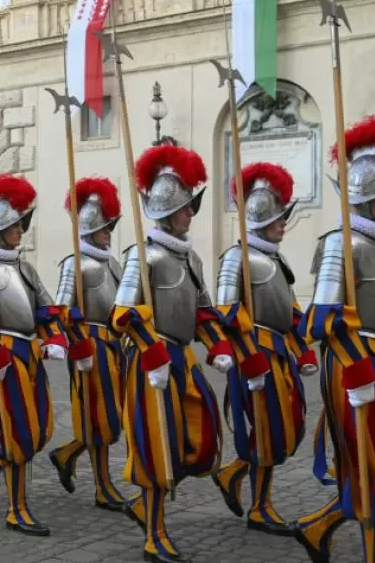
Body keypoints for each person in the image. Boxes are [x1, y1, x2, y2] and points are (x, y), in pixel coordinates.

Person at [112, 145, 246, 563]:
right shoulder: (142, 254)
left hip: (182, 362)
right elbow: (124, 313)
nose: (192, 213)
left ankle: (146, 510)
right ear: (168, 210)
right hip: (151, 363)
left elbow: (204, 311)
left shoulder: (191, 257)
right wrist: (151, 352)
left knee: (195, 441)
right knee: (158, 448)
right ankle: (154, 533)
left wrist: (217, 345)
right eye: (187, 207)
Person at [292, 116, 375, 563]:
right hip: (358, 369)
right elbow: (318, 321)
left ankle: (318, 528)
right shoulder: (342, 244)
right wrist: (359, 368)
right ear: (368, 197)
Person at [0, 174, 68, 536]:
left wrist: (54, 338)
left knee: (39, 431)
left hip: (30, 355)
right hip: (2, 359)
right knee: (17, 434)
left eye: (21, 223)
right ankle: (16, 509)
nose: (20, 229)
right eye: (13, 225)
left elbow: (46, 309)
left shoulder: (25, 267)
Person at [211, 162, 319, 537]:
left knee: (283, 428)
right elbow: (225, 311)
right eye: (277, 217)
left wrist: (303, 345)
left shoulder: (275, 258)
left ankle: (232, 473)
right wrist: (247, 355)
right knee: (267, 430)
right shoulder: (234, 258)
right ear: (259, 217)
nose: (283, 223)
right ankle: (260, 507)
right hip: (252, 357)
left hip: (278, 355)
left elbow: (288, 307)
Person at [48, 177, 126, 511]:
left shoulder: (114, 263)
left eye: (111, 225)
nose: (109, 231)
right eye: (104, 226)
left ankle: (66, 455)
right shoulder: (74, 263)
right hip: (89, 348)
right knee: (98, 419)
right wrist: (78, 346)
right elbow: (63, 311)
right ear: (90, 228)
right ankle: (102, 486)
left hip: (114, 348)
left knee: (112, 417)